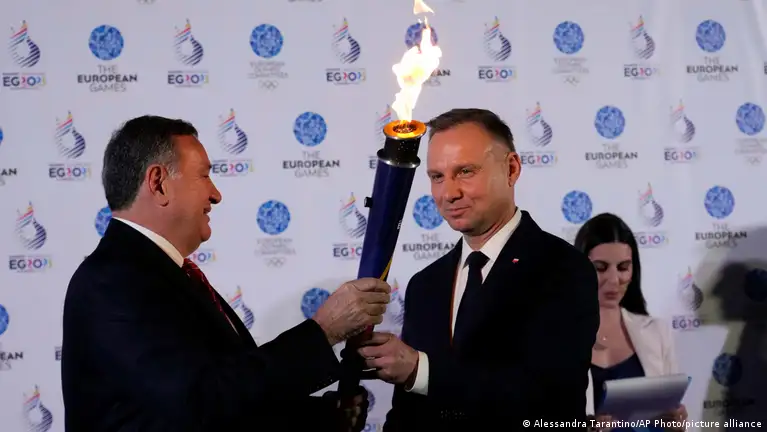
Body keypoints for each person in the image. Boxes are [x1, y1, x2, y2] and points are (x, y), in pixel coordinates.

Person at [61, 115, 387, 432]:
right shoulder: (114, 281)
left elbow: (227, 393)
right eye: (203, 175)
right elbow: (199, 403)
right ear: (158, 183)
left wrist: (320, 417)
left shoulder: (162, 274)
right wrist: (324, 331)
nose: (215, 194)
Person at [356, 108, 600, 429]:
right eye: (437, 177)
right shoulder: (425, 285)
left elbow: (547, 399)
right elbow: (408, 414)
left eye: (465, 171)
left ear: (511, 169)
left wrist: (421, 371)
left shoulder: (563, 269)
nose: (449, 193)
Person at [573, 213, 688, 432]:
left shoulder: (657, 332)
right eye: (600, 268)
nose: (614, 280)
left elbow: (673, 415)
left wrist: (677, 425)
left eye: (623, 267)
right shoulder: (555, 338)